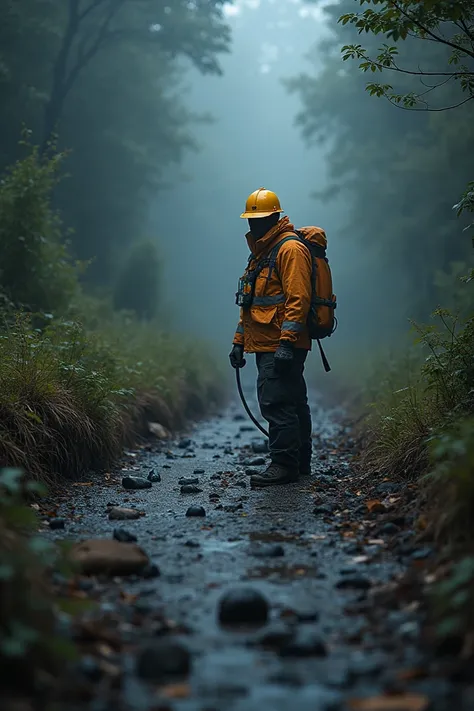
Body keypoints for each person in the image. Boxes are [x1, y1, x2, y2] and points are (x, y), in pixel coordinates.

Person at [230, 187, 313, 487]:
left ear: (275, 216)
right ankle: (300, 462)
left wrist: (286, 345)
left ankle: (283, 464)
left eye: (260, 218)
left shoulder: (289, 250)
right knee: (293, 400)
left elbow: (298, 299)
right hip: (265, 344)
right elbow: (250, 306)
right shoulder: (261, 254)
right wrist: (239, 343)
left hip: (281, 345)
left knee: (277, 403)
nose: (254, 225)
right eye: (251, 219)